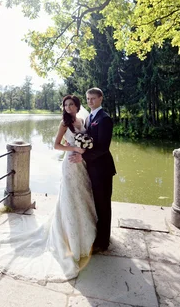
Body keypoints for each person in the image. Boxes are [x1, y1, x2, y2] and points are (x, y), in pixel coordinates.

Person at [0, 95, 97, 282]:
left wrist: (82, 150)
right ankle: (68, 238)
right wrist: (75, 149)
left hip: (80, 165)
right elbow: (56, 145)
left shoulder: (82, 120)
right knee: (69, 197)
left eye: (71, 104)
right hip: (69, 164)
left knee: (81, 195)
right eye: (65, 105)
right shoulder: (64, 123)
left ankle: (84, 236)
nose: (68, 107)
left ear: (77, 106)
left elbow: (86, 142)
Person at [69, 87, 116, 251]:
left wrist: (83, 156)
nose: (90, 101)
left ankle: (103, 242)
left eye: (93, 98)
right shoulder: (89, 117)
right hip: (92, 168)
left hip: (102, 169)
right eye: (88, 99)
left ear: (101, 98)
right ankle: (98, 235)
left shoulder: (104, 119)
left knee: (103, 204)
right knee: (96, 203)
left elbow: (103, 147)